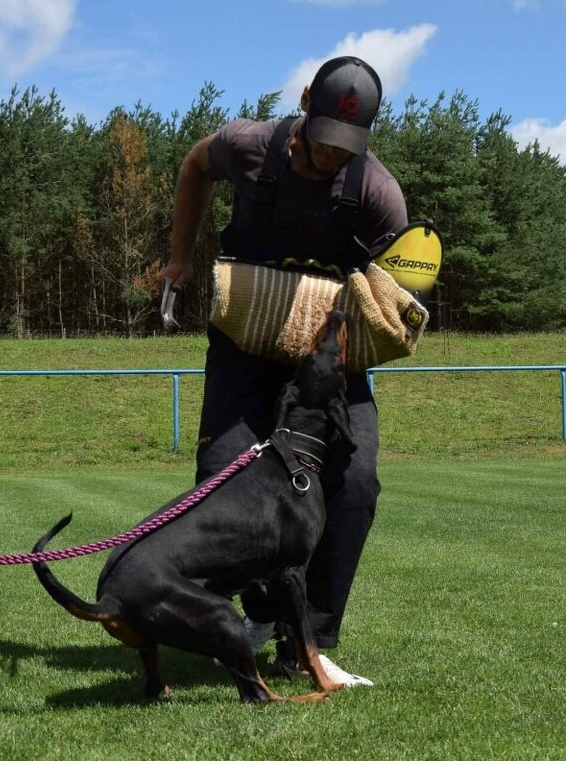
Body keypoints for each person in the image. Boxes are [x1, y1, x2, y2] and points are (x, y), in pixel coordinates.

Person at [159, 56, 407, 686]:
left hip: (327, 357)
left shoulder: (377, 194)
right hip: (245, 339)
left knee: (356, 483)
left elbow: (396, 287)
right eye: (324, 140)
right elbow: (193, 166)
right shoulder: (248, 145)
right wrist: (180, 260)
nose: (332, 157)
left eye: (347, 147)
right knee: (223, 475)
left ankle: (313, 641)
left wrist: (395, 318)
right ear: (303, 101)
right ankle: (262, 619)